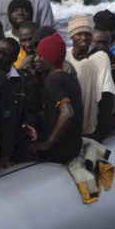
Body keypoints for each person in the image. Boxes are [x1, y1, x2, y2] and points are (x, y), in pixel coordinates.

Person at [30, 33, 84, 163]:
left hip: (58, 151)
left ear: (50, 58)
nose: (35, 59)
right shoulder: (70, 78)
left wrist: (47, 143)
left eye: (40, 55)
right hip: (74, 148)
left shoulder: (52, 80)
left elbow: (67, 113)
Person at [64, 15, 115, 143]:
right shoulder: (64, 56)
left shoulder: (100, 58)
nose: (83, 38)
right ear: (71, 36)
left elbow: (106, 93)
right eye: (79, 34)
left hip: (91, 125)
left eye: (87, 34)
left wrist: (100, 132)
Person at [91, 24, 115, 130]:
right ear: (91, 41)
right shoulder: (85, 60)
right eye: (98, 42)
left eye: (105, 43)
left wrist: (107, 127)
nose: (102, 46)